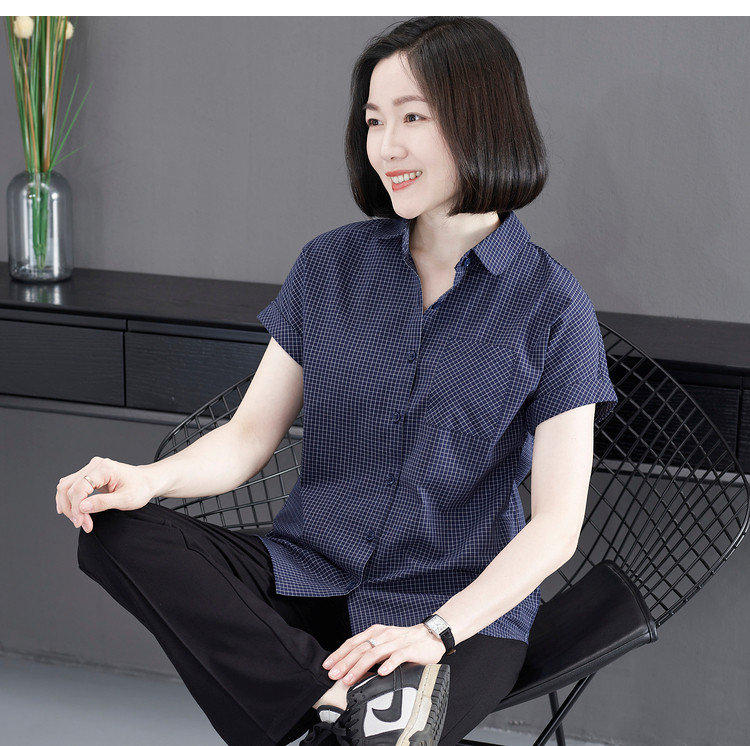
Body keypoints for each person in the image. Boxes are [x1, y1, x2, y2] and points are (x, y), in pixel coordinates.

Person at [55, 16, 617, 746]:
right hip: (308, 575)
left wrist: (436, 632)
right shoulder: (330, 266)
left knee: (367, 736)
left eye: (412, 117)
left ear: (482, 119)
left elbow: (556, 527)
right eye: (374, 121)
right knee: (110, 530)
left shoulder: (552, 305)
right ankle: (324, 701)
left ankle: (333, 718)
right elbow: (247, 438)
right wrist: (147, 479)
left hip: (455, 613)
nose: (386, 146)